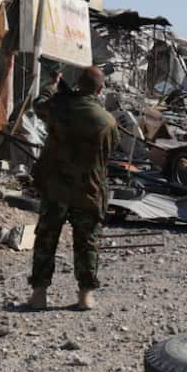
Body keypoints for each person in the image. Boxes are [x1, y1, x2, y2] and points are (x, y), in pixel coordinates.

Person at [27, 66, 118, 310]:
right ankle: (85, 295)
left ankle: (39, 294)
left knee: (46, 237)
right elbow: (110, 151)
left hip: (56, 187)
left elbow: (39, 104)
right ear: (100, 89)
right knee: (87, 242)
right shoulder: (107, 121)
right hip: (88, 189)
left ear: (78, 84)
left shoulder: (59, 107)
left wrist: (52, 85)